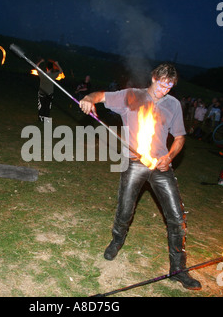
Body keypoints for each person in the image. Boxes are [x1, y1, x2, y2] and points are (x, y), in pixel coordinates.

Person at [79, 63, 201, 290]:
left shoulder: (173, 105)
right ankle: (116, 241)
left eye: (170, 85)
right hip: (134, 162)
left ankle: (178, 270)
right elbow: (101, 96)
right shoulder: (132, 96)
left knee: (176, 217)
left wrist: (170, 156)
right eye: (162, 83)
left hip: (161, 166)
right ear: (154, 77)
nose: (165, 89)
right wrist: (88, 98)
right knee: (125, 209)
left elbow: (180, 137)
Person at [36, 58, 63, 123]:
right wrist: (57, 64)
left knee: (41, 106)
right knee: (47, 106)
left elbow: (36, 67)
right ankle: (46, 118)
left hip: (42, 93)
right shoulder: (53, 75)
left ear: (47, 68)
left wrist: (40, 61)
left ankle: (40, 118)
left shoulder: (42, 74)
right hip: (49, 93)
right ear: (51, 68)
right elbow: (61, 71)